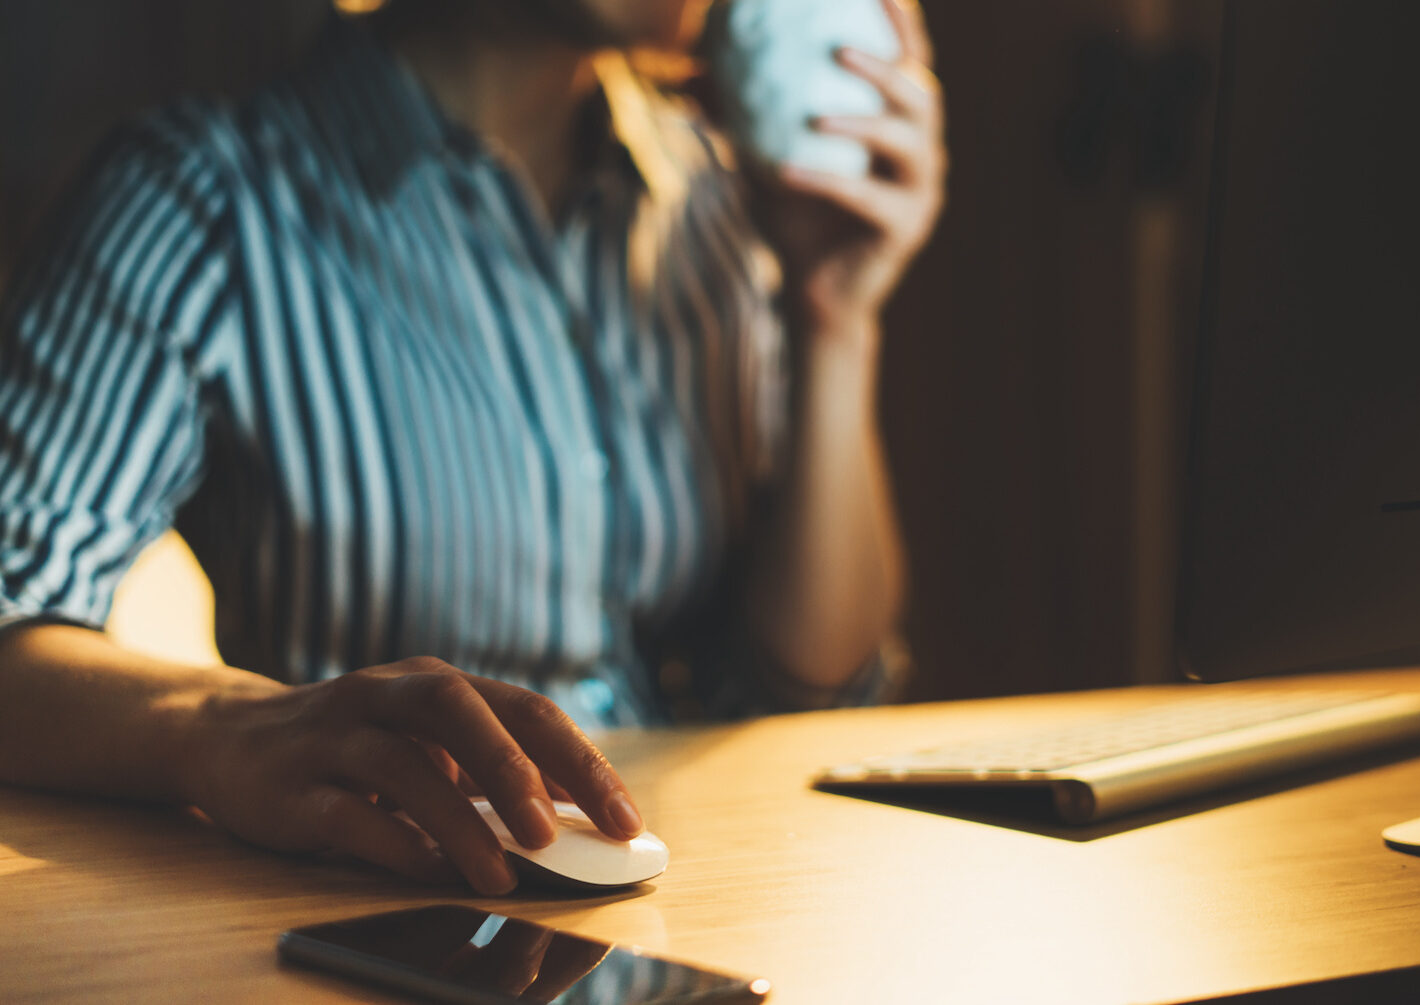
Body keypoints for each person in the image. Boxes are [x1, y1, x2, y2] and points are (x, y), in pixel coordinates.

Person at [0, 0, 944, 895]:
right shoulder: (206, 198)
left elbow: (810, 681)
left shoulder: (714, 202)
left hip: (713, 911)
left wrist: (835, 316)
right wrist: (223, 727)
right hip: (405, 930)